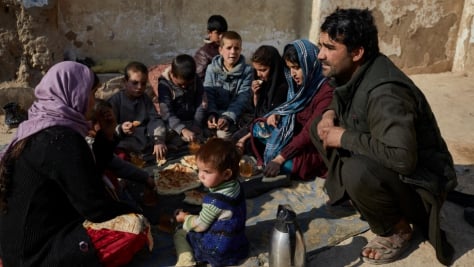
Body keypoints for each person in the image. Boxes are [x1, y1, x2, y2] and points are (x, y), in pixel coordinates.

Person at [310, 8, 457, 265]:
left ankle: (397, 229)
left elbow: (402, 159)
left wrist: (344, 137)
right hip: (396, 169)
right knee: (319, 126)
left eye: (330, 47)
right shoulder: (356, 70)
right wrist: (330, 113)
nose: (320, 54)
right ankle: (356, 197)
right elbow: (341, 93)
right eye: (320, 45)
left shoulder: (386, 93)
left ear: (357, 53)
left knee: (357, 170)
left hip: (422, 186)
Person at [0, 61, 151, 266]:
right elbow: (94, 206)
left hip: (17, 246)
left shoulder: (36, 125)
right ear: (74, 92)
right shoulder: (61, 138)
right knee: (134, 226)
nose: (93, 101)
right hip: (35, 255)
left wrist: (106, 137)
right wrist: (134, 212)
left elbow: (84, 179)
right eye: (91, 93)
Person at [251, 39, 333, 180]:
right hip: (293, 139)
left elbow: (309, 131)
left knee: (285, 165)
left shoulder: (325, 92)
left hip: (312, 148)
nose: (293, 73)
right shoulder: (300, 87)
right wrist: (278, 114)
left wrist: (280, 158)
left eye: (296, 67)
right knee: (258, 128)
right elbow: (290, 109)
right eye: (290, 68)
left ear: (309, 64)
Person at [173, 138, 249, 267]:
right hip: (237, 242)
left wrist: (185, 218)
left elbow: (200, 225)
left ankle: (186, 262)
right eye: (199, 169)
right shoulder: (236, 185)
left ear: (226, 174)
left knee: (180, 233)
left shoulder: (214, 202)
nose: (200, 175)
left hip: (218, 250)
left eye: (206, 172)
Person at [87, 99, 158, 209]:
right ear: (92, 125)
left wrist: (145, 178)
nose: (111, 125)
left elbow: (112, 160)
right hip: (103, 198)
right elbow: (113, 163)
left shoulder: (100, 138)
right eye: (108, 122)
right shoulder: (89, 147)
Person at [108, 61, 167, 161]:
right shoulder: (115, 101)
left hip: (146, 136)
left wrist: (159, 139)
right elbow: (108, 128)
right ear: (125, 81)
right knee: (119, 151)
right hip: (127, 140)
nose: (139, 87)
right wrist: (121, 129)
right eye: (135, 83)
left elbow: (155, 119)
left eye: (143, 83)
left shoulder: (145, 99)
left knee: (169, 130)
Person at [234, 45, 288, 152]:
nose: (259, 74)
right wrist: (256, 94)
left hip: (270, 133)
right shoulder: (264, 83)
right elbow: (257, 110)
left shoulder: (283, 88)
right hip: (257, 126)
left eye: (263, 70)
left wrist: (244, 138)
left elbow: (268, 120)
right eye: (257, 70)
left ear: (274, 68)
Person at [204, 31, 252, 140]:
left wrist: (227, 117)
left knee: (222, 135)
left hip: (236, 115)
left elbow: (242, 99)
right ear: (220, 50)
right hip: (216, 114)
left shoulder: (247, 71)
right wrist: (212, 114)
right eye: (229, 48)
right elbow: (208, 95)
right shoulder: (211, 69)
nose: (233, 52)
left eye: (237, 48)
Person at [156, 54, 207, 148]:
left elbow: (201, 104)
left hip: (193, 120)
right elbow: (166, 113)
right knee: (170, 138)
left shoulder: (196, 80)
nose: (185, 87)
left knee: (201, 140)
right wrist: (182, 129)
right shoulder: (164, 85)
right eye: (181, 84)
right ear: (172, 74)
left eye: (188, 84)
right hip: (173, 124)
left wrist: (197, 124)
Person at [194, 14, 228, 82]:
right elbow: (199, 79)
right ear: (209, 33)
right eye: (218, 33)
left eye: (223, 33)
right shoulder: (203, 53)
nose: (221, 36)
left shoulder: (227, 48)